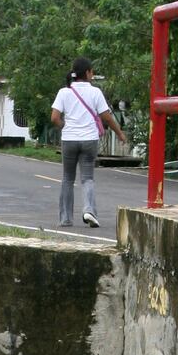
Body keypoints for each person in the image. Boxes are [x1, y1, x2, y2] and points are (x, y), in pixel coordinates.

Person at [50, 56, 127, 229]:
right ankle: (89, 211)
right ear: (87, 72)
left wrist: (65, 126)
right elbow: (106, 116)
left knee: (67, 179)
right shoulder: (95, 92)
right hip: (89, 140)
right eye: (92, 72)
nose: (93, 75)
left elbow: (54, 117)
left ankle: (65, 219)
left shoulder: (64, 92)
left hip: (69, 140)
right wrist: (120, 133)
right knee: (87, 178)